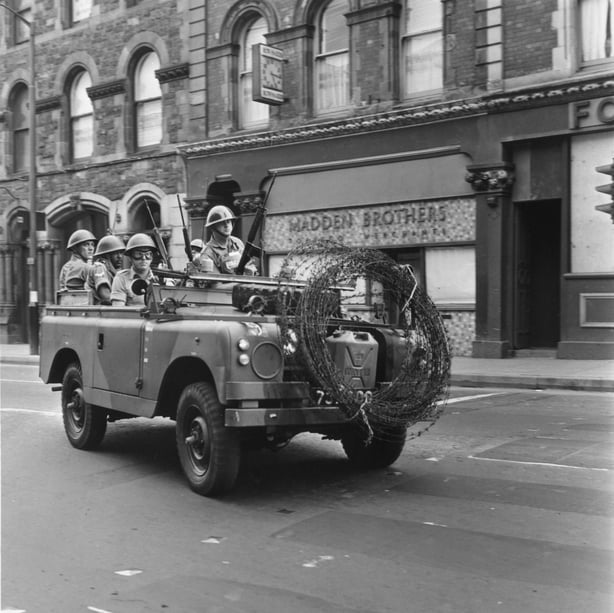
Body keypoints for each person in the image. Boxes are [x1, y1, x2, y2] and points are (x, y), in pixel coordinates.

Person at [202, 205, 258, 275]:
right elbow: (217, 285)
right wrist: (244, 279)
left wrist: (249, 271)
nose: (226, 225)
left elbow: (248, 265)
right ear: (213, 227)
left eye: (228, 221)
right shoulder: (207, 254)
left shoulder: (237, 242)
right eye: (222, 222)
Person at [110, 233, 157, 306]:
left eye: (148, 254)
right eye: (138, 254)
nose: (144, 258)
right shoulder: (121, 278)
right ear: (130, 258)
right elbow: (118, 310)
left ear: (152, 257)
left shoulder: (160, 278)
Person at [86, 234, 125, 305]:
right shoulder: (99, 267)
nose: (120, 256)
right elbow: (106, 296)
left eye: (121, 253)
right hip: (99, 311)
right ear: (107, 255)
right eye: (116, 253)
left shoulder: (112, 270)